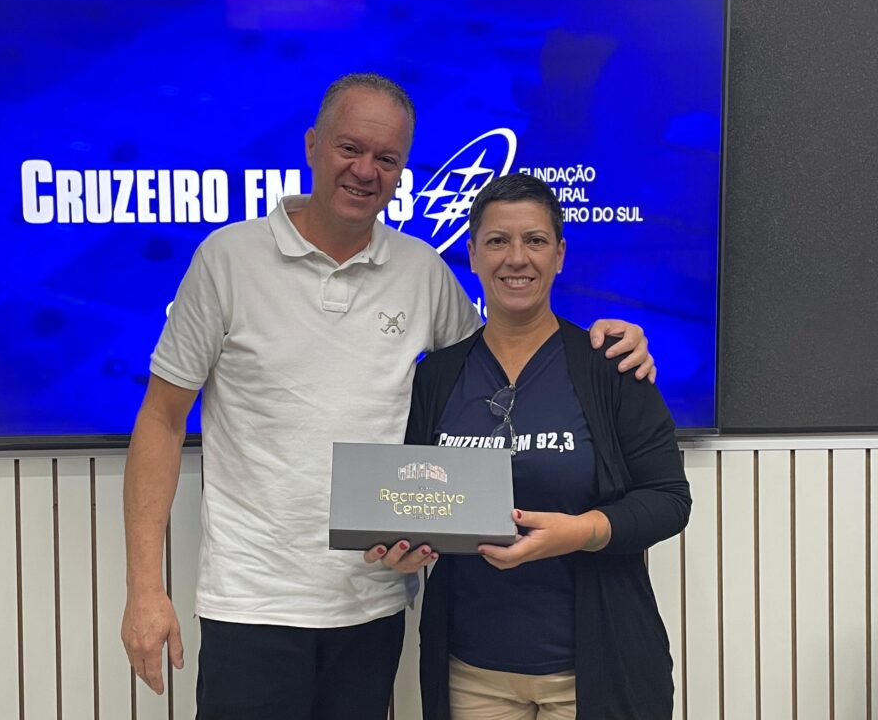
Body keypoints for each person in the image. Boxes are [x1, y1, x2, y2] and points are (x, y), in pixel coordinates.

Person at [120, 74, 656, 720]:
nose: (365, 170)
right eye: (350, 148)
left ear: (402, 172)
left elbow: (507, 356)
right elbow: (161, 419)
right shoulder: (227, 259)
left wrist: (604, 339)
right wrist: (144, 589)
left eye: (387, 158)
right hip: (252, 602)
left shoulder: (421, 270)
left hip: (371, 605)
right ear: (312, 145)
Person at [384, 172, 691, 720]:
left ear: (560, 255)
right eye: (497, 241)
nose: (516, 258)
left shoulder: (611, 366)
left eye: (535, 240)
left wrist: (582, 531)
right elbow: (414, 502)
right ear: (472, 254)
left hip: (592, 671)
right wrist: (402, 547)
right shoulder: (438, 377)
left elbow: (669, 499)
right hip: (471, 674)